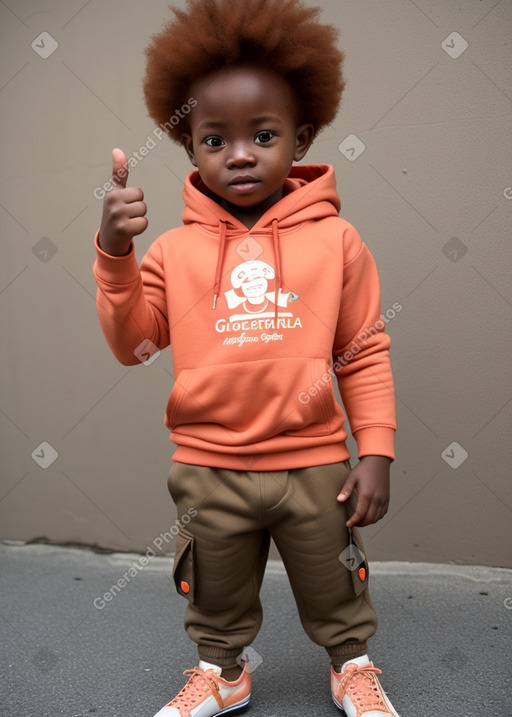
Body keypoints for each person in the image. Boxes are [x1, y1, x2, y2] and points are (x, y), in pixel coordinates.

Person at [92, 0, 399, 715]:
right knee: (217, 586)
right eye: (213, 138)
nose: (239, 153)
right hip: (209, 465)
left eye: (262, 134)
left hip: (316, 462)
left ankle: (351, 666)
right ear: (190, 147)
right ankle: (222, 671)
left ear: (301, 135)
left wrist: (376, 447)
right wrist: (115, 254)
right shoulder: (173, 249)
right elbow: (132, 344)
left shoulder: (338, 242)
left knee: (336, 581)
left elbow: (364, 351)